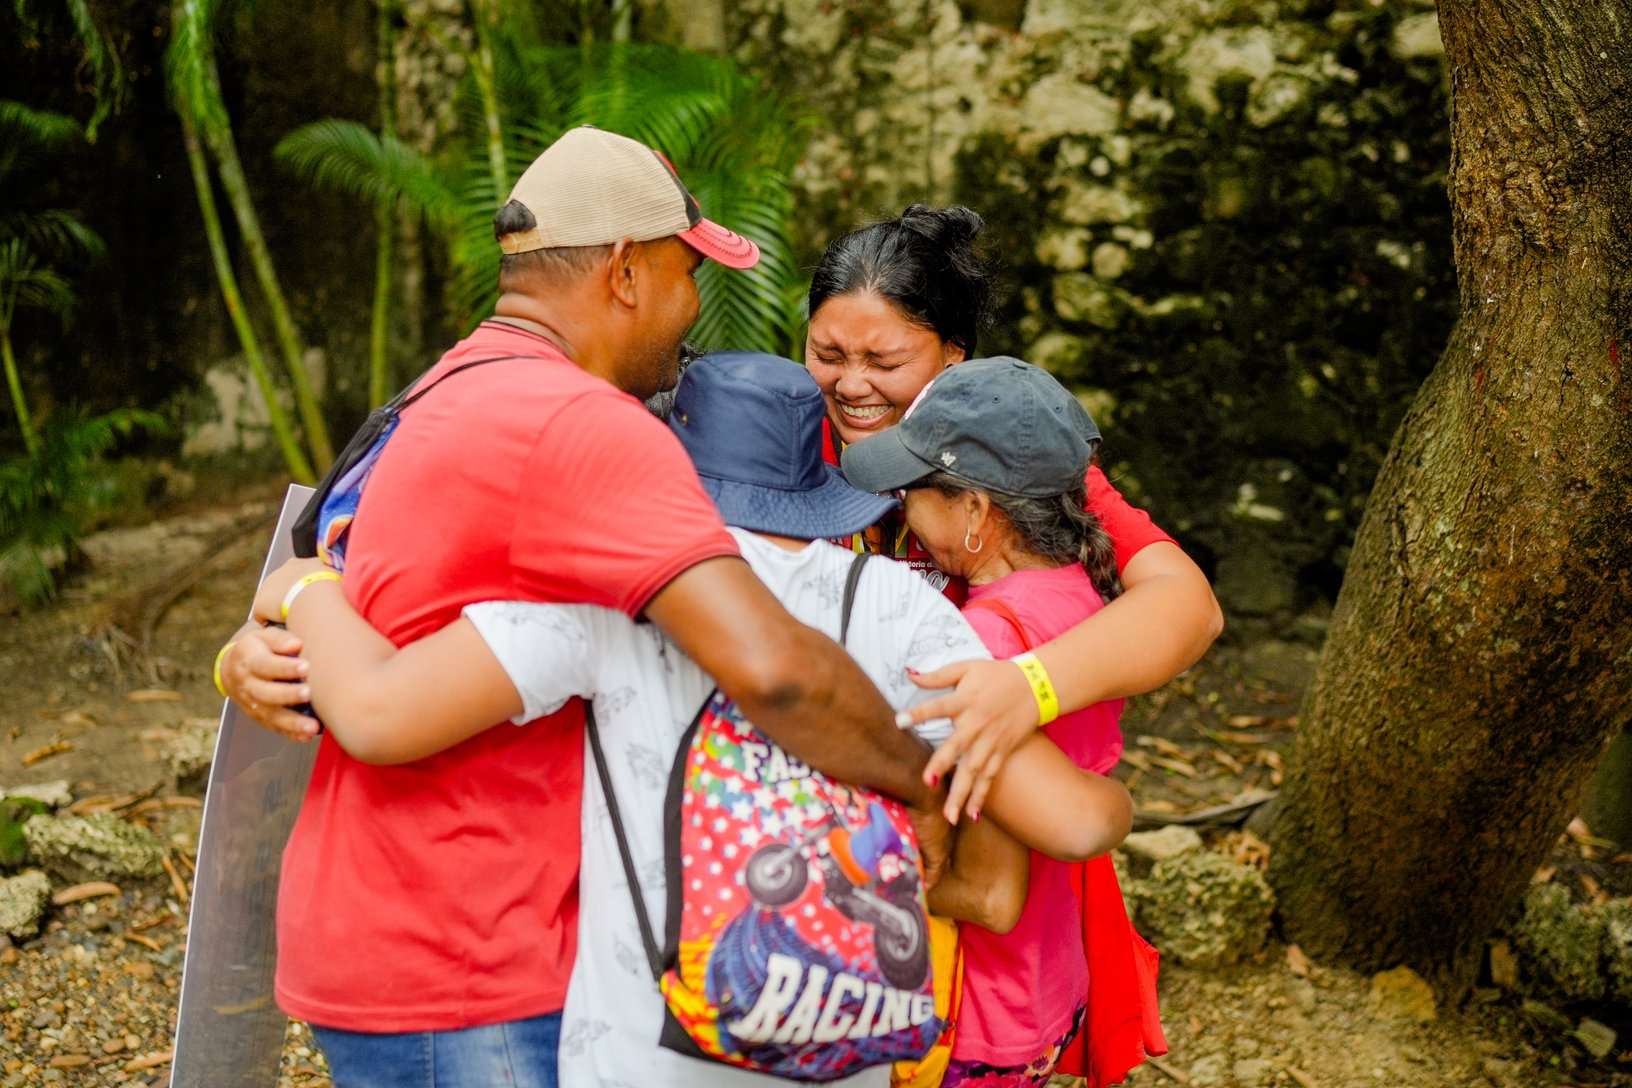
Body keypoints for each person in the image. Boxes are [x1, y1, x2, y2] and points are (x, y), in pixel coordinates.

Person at [212, 129, 951, 1087]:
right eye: (689, 274)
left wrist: (283, 601)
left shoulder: (451, 385)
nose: (694, 310)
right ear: (627, 271)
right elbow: (775, 668)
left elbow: (332, 576)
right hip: (470, 957)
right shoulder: (584, 424)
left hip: (386, 923)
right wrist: (918, 785)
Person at [245, 352, 1135, 1088]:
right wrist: (1019, 731)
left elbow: (377, 714)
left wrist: (300, 587)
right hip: (833, 1038)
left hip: (645, 1053)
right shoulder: (901, 607)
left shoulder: (611, 596)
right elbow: (1079, 822)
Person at [804, 203, 1224, 824]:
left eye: (885, 363)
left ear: (954, 356)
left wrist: (1030, 686)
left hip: (989, 807)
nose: (851, 386)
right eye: (828, 354)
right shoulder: (778, 443)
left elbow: (1189, 606)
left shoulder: (1013, 461)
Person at [843, 356, 1139, 1087]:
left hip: (978, 1011)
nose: (900, 511)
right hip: (1049, 981)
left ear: (975, 511)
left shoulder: (985, 648)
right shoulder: (1085, 595)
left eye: (912, 492)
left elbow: (990, 897)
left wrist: (844, 887)